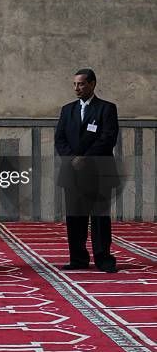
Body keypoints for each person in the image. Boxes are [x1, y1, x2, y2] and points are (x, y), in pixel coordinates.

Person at [55, 68, 119, 273]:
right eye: (74, 84)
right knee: (75, 218)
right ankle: (78, 259)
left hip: (98, 171)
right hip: (72, 171)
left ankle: (103, 259)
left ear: (92, 84)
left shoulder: (107, 109)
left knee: (100, 218)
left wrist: (85, 158)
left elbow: (108, 138)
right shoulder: (67, 110)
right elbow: (60, 138)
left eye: (81, 84)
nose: (77, 88)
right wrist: (73, 159)